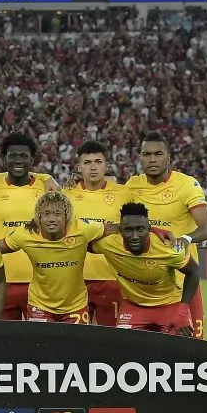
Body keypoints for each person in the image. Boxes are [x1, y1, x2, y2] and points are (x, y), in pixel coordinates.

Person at [125, 131, 207, 339]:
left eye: (158, 154)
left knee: (192, 351)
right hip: (144, 286)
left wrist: (187, 238)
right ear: (140, 158)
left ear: (168, 158)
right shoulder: (132, 186)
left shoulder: (186, 185)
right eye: (147, 154)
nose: (152, 159)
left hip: (184, 284)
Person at [0, 192, 116, 324]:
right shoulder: (26, 234)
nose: (51, 219)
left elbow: (113, 229)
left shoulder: (82, 229)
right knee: (40, 345)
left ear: (67, 217)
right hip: (40, 305)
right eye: (46, 214)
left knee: (74, 345)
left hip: (75, 306)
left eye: (57, 214)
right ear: (39, 217)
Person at [90, 202, 201, 335]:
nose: (135, 236)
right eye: (128, 230)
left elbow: (194, 271)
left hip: (169, 305)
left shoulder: (169, 248)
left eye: (140, 229)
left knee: (176, 351)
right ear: (120, 230)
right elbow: (80, 239)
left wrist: (183, 310)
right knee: (123, 349)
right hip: (133, 305)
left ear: (149, 228)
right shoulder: (108, 244)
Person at [0, 132, 51, 320]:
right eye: (13, 155)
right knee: (2, 343)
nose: (18, 160)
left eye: (24, 156)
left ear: (32, 160)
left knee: (39, 342)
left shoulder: (45, 186)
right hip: (1, 281)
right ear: (4, 159)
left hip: (41, 282)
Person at [63, 140, 133, 327]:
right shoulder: (67, 195)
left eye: (98, 162)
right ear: (79, 167)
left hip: (113, 278)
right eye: (87, 163)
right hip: (75, 279)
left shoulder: (124, 194)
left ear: (106, 165)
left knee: (113, 341)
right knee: (76, 340)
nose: (93, 167)